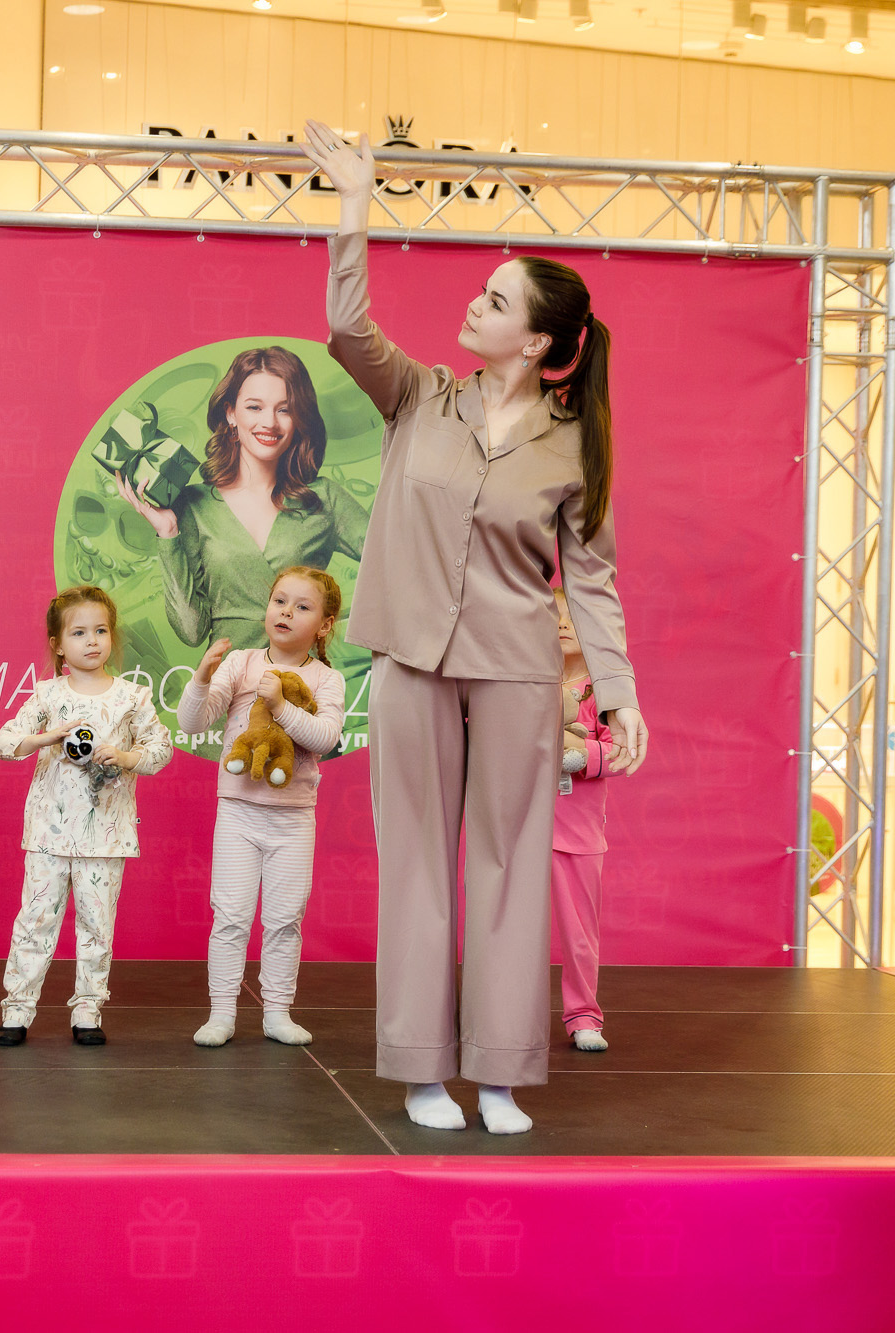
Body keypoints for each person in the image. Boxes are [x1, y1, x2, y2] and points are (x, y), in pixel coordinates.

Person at [302, 122, 649, 1136]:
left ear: (535, 342)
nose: (474, 305)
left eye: (495, 301)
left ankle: (497, 1073)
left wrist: (619, 694)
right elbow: (346, 327)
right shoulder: (418, 396)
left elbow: (592, 579)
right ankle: (420, 1071)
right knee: (415, 866)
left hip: (514, 670)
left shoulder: (575, 444)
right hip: (409, 660)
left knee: (507, 867)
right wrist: (354, 203)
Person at [0, 586, 173, 1046]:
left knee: (97, 925)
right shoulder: (46, 694)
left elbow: (160, 750)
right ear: (57, 644)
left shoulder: (132, 696)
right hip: (48, 834)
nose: (92, 640)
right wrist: (48, 737)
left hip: (106, 836)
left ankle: (88, 1010)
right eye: (78, 633)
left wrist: (125, 757)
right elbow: (5, 743)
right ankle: (17, 1009)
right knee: (35, 920)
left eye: (101, 631)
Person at [176, 566, 346, 1048]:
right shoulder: (242, 663)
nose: (286, 612)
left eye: (302, 606)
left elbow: (325, 738)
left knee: (285, 919)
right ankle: (222, 1013)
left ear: (325, 625)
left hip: (293, 819)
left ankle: (277, 1012)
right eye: (280, 601)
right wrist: (202, 677)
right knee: (230, 915)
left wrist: (282, 706)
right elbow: (192, 723)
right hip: (238, 813)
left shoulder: (327, 678)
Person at [117, 345, 367, 650]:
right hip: (226, 677)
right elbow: (191, 632)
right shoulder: (194, 504)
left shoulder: (324, 498)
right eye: (254, 407)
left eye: (284, 409)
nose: (270, 422)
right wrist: (168, 534)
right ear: (230, 413)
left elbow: (397, 563)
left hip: (299, 677)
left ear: (299, 418)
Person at [551, 588, 620, 1052]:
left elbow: (621, 752)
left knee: (579, 937)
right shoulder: (524, 682)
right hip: (518, 831)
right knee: (507, 932)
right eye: (552, 615)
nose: (561, 624)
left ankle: (583, 1016)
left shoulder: (604, 690)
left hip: (577, 835)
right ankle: (500, 1015)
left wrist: (581, 755)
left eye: (571, 617)